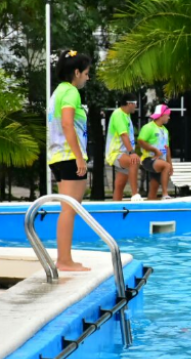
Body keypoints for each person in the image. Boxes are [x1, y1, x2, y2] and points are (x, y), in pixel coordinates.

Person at [47, 50, 92, 272]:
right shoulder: (71, 92)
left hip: (57, 156)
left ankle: (64, 258)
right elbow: (67, 124)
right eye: (85, 73)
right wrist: (78, 157)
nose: (87, 77)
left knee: (68, 208)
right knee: (70, 209)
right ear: (76, 72)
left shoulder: (57, 92)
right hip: (68, 156)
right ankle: (64, 260)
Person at [105, 94, 142, 202]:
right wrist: (132, 152)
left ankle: (115, 210)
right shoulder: (119, 115)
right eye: (135, 104)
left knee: (120, 186)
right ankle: (135, 194)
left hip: (123, 153)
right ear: (130, 104)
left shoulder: (126, 115)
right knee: (134, 161)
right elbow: (124, 135)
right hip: (115, 153)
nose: (136, 106)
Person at [137, 104, 174, 200]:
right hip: (148, 159)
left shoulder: (165, 130)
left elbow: (167, 148)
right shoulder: (148, 127)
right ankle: (165, 194)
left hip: (160, 161)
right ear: (161, 115)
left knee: (153, 190)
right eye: (168, 115)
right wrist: (154, 150)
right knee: (165, 166)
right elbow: (141, 141)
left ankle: (148, 211)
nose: (169, 117)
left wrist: (170, 164)